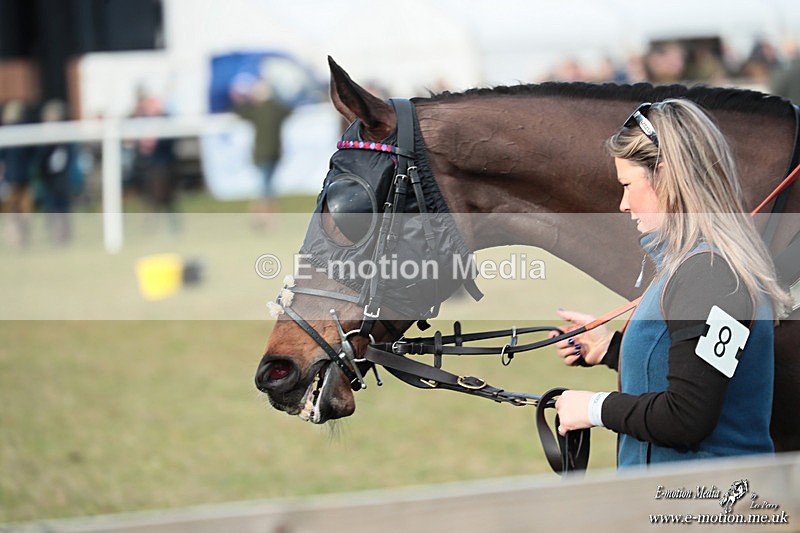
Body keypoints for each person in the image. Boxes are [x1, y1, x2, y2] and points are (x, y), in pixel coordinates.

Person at [550, 99, 791, 468]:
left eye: (628, 185)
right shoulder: (705, 266)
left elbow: (687, 416)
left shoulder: (709, 274)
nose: (623, 204)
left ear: (665, 176)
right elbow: (705, 371)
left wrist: (592, 407)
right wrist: (612, 349)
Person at [230, 77, 291, 220]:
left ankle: (263, 215)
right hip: (274, 152)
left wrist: (243, 100)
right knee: (267, 185)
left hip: (262, 153)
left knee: (265, 187)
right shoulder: (275, 107)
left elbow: (239, 112)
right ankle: (266, 215)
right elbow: (288, 109)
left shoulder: (257, 109)